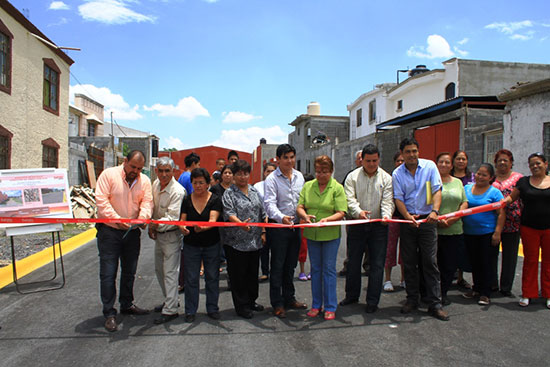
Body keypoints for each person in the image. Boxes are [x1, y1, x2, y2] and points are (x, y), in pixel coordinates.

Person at [95, 150, 153, 332]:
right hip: (110, 232)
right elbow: (102, 202)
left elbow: (147, 202)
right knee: (108, 273)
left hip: (132, 234)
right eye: (133, 166)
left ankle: (127, 304)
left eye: (139, 168)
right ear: (125, 161)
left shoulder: (144, 181)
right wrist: (119, 221)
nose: (135, 171)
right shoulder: (108, 175)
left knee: (129, 271)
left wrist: (142, 218)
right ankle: (109, 313)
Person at [392, 137, 449, 321]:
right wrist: (407, 217)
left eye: (414, 151)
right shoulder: (397, 174)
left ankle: (435, 304)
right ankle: (412, 299)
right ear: (402, 154)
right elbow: (398, 199)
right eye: (407, 152)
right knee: (409, 262)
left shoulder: (430, 167)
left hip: (428, 221)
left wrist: (435, 211)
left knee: (430, 262)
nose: (412, 155)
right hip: (408, 222)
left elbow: (437, 191)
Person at [340, 144, 393, 314]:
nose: (371, 164)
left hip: (379, 226)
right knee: (354, 262)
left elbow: (387, 201)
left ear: (379, 159)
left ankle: (372, 301)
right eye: (368, 161)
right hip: (357, 224)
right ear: (362, 159)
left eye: (374, 161)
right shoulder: (352, 177)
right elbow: (349, 199)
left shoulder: (386, 178)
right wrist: (358, 212)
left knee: (377, 264)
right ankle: (351, 296)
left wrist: (386, 216)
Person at [297, 155, 347, 320]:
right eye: (318, 171)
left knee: (329, 270)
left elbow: (341, 212)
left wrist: (328, 220)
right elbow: (300, 206)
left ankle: (331, 306)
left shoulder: (337, 188)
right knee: (316, 270)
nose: (321, 175)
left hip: (330, 234)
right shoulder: (308, 186)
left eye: (324, 172)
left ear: (331, 171)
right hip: (312, 234)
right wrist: (304, 216)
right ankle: (316, 304)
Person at [264, 144, 307, 318]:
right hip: (279, 227)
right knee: (277, 266)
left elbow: (302, 200)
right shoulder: (272, 179)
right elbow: (269, 204)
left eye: (291, 157)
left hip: (295, 228)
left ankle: (289, 298)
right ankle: (277, 303)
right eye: (285, 158)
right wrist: (282, 217)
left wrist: (303, 214)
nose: (289, 161)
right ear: (278, 159)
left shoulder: (299, 176)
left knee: (291, 265)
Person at [503, 153, 550, 309]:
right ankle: (528, 293)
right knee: (530, 261)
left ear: (546, 164)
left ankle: (548, 294)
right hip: (529, 227)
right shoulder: (523, 182)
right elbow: (511, 199)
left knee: (548, 262)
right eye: (531, 164)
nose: (535, 166)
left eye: (538, 163)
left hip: (549, 228)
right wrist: (499, 202)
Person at [222, 160, 267, 319]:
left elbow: (262, 212)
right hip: (236, 242)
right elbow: (229, 213)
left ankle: (251, 301)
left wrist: (263, 231)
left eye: (245, 173)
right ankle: (241, 306)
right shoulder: (229, 193)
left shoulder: (254, 191)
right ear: (233, 176)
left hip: (254, 241)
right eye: (239, 174)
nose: (243, 177)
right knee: (238, 275)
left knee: (252, 273)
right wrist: (240, 224)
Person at [178, 168, 222, 322]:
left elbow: (213, 220)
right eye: (195, 183)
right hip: (191, 245)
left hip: (212, 244)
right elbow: (182, 220)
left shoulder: (215, 199)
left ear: (207, 183)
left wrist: (203, 228)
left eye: (201, 183)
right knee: (191, 279)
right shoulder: (186, 200)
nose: (198, 186)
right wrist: (182, 227)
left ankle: (212, 308)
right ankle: (190, 310)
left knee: (212, 277)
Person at [149, 157, 186, 324]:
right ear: (156, 171)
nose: (163, 174)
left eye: (167, 171)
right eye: (160, 171)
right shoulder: (155, 184)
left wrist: (153, 226)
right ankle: (171, 300)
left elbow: (172, 217)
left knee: (170, 272)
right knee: (160, 270)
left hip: (171, 235)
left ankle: (171, 310)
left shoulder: (177, 191)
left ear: (173, 171)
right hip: (158, 236)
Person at [462, 163, 505, 306]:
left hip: (487, 233)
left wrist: (497, 233)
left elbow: (500, 214)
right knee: (474, 262)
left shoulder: (494, 193)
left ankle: (485, 293)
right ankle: (476, 288)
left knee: (486, 263)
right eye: (479, 173)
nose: (480, 177)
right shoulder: (467, 188)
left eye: (484, 175)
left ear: (491, 177)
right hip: (469, 232)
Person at [435, 152, 468, 305]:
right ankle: (431, 293)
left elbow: (464, 203)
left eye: (447, 162)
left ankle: (443, 292)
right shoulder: (431, 181)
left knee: (449, 265)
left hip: (454, 229)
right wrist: (438, 219)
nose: (444, 165)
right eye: (441, 162)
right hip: (435, 230)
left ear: (451, 165)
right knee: (433, 264)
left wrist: (452, 219)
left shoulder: (457, 183)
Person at [492, 149, 523, 297]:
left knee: (510, 256)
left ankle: (506, 287)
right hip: (493, 223)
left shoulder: (519, 179)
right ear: (495, 163)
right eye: (500, 160)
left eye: (506, 160)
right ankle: (491, 284)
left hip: (513, 223)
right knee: (491, 255)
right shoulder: (491, 179)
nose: (502, 163)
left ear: (511, 163)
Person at [339, 150, 368, 276]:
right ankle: (349, 265)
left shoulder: (376, 175)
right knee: (352, 244)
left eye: (363, 158)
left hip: (370, 216)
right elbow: (344, 194)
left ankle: (368, 266)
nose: (361, 160)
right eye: (359, 158)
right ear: (356, 161)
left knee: (369, 245)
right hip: (353, 217)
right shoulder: (350, 176)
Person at [451, 150, 474, 290]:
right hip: (448, 218)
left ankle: (460, 277)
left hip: (467, 217)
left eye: (463, 159)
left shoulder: (472, 177)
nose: (461, 161)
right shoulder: (448, 176)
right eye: (458, 159)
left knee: (463, 249)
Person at [177, 152, 200, 292]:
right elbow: (194, 197)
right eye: (198, 164)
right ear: (193, 164)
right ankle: (185, 281)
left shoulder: (181, 176)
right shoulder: (189, 177)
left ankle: (182, 280)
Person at [384, 152, 405, 292]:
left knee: (405, 251)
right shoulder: (391, 179)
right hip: (393, 218)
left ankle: (404, 279)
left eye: (402, 161)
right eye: (398, 160)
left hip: (406, 219)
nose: (400, 163)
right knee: (389, 249)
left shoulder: (411, 179)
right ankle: (387, 279)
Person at [254, 162, 277, 282]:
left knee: (276, 248)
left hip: (275, 221)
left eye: (273, 171)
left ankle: (274, 272)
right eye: (268, 171)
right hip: (261, 221)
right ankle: (265, 272)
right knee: (263, 248)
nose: (270, 174)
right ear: (263, 172)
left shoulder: (279, 185)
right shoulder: (257, 186)